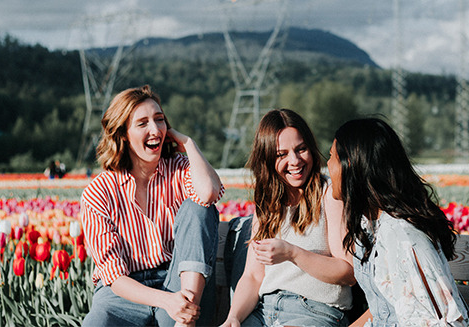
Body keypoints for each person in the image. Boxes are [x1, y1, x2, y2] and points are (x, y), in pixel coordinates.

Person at [80, 85, 224, 327]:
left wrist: (188, 143)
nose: (155, 129)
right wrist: (166, 301)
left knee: (197, 207)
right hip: (124, 294)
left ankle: (185, 321)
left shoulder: (178, 168)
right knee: (97, 322)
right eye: (142, 123)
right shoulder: (100, 191)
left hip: (179, 281)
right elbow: (114, 276)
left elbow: (208, 194)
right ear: (123, 133)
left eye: (159, 120)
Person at [327, 117, 469, 326]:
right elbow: (383, 309)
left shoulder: (401, 236)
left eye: (331, 157)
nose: (328, 165)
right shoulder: (372, 226)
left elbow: (436, 321)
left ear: (350, 164)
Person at [221, 109, 355, 327]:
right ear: (267, 159)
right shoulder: (268, 204)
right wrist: (233, 318)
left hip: (314, 311)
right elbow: (253, 277)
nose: (295, 161)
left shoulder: (329, 194)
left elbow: (348, 271)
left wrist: (292, 253)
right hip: (264, 311)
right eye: (281, 154)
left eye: (301, 149)